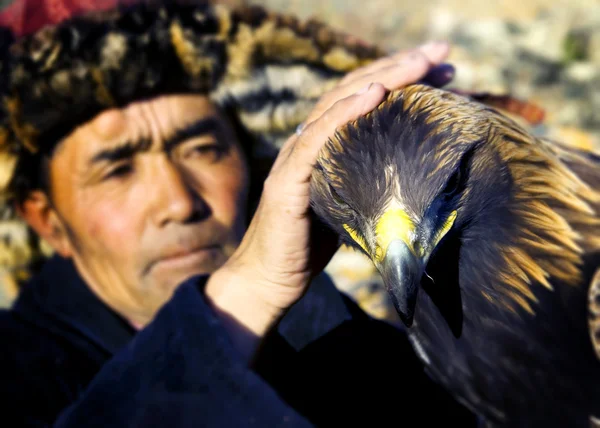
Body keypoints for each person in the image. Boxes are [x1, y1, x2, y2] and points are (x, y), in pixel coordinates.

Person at [0, 1, 477, 426]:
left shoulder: (346, 343)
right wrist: (246, 290)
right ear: (48, 221)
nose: (180, 203)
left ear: (249, 164)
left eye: (203, 149)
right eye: (118, 171)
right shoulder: (19, 377)